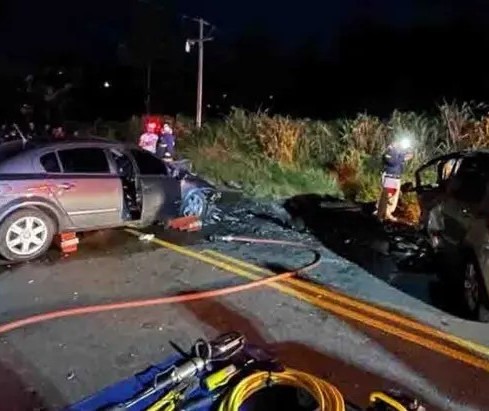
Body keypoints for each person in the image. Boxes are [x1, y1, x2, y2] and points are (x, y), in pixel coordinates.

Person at [376, 138, 413, 222]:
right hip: (390, 176)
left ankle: (387, 213)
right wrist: (403, 158)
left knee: (393, 198)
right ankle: (380, 215)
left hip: (396, 177)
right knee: (387, 197)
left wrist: (407, 154)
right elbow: (392, 161)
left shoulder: (399, 152)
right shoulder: (389, 151)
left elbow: (407, 156)